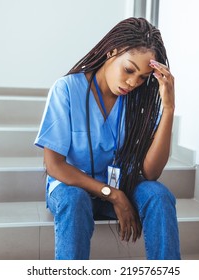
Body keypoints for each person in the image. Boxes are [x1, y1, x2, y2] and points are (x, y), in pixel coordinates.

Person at [34, 17, 181, 260]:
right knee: (74, 199)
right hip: (75, 188)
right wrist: (114, 195)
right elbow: (54, 165)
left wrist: (168, 109)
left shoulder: (139, 101)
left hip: (123, 184)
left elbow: (151, 172)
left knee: (159, 195)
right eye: (129, 69)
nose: (133, 82)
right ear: (112, 51)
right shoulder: (67, 90)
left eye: (143, 77)